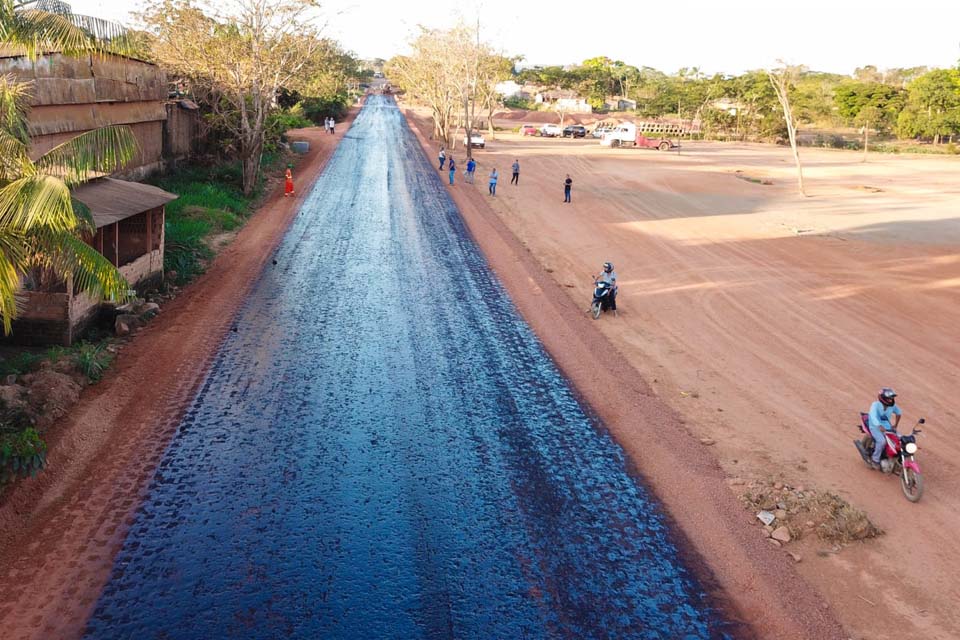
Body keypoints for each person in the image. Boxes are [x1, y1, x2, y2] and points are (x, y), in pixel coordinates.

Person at [867, 387, 902, 469]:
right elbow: (873, 416)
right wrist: (879, 425)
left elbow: (899, 413)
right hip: (875, 426)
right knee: (882, 441)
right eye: (889, 398)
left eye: (892, 398)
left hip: (887, 427)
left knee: (900, 439)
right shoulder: (875, 405)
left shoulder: (892, 406)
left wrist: (895, 425)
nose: (891, 400)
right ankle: (875, 460)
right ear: (883, 398)